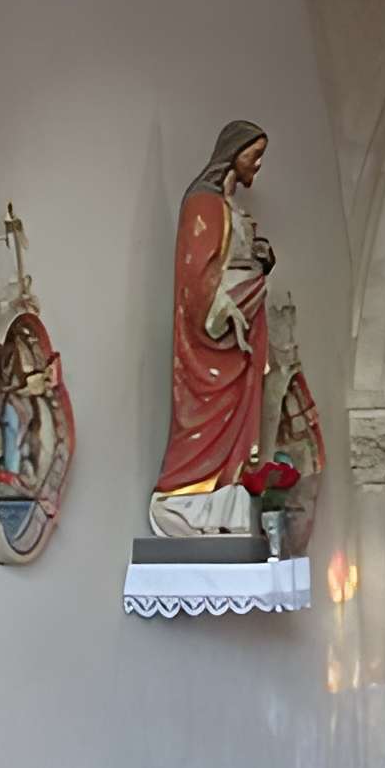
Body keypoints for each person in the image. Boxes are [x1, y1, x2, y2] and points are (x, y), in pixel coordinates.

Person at [150, 121, 276, 536]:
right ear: (232, 151)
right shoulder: (203, 203)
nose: (257, 164)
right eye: (252, 154)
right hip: (214, 334)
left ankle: (224, 497)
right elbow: (197, 273)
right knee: (203, 416)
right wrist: (236, 296)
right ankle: (181, 496)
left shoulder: (228, 206)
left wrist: (258, 262)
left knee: (239, 419)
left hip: (238, 338)